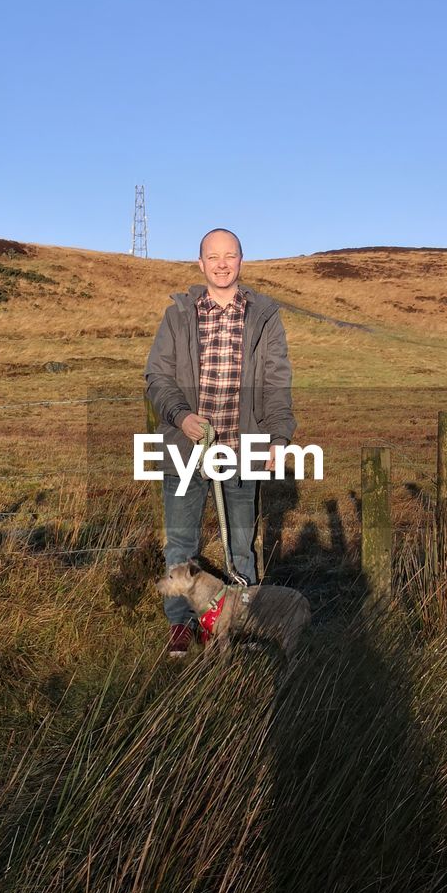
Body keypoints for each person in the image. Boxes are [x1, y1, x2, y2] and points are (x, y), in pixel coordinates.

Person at [145, 228, 296, 656]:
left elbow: (276, 383)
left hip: (242, 446)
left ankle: (244, 625)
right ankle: (181, 624)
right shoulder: (178, 315)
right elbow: (157, 377)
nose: (222, 263)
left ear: (241, 260)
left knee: (240, 543)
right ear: (201, 263)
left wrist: (278, 437)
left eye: (230, 255)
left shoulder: (264, 317)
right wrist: (181, 416)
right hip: (184, 446)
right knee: (180, 540)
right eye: (214, 256)